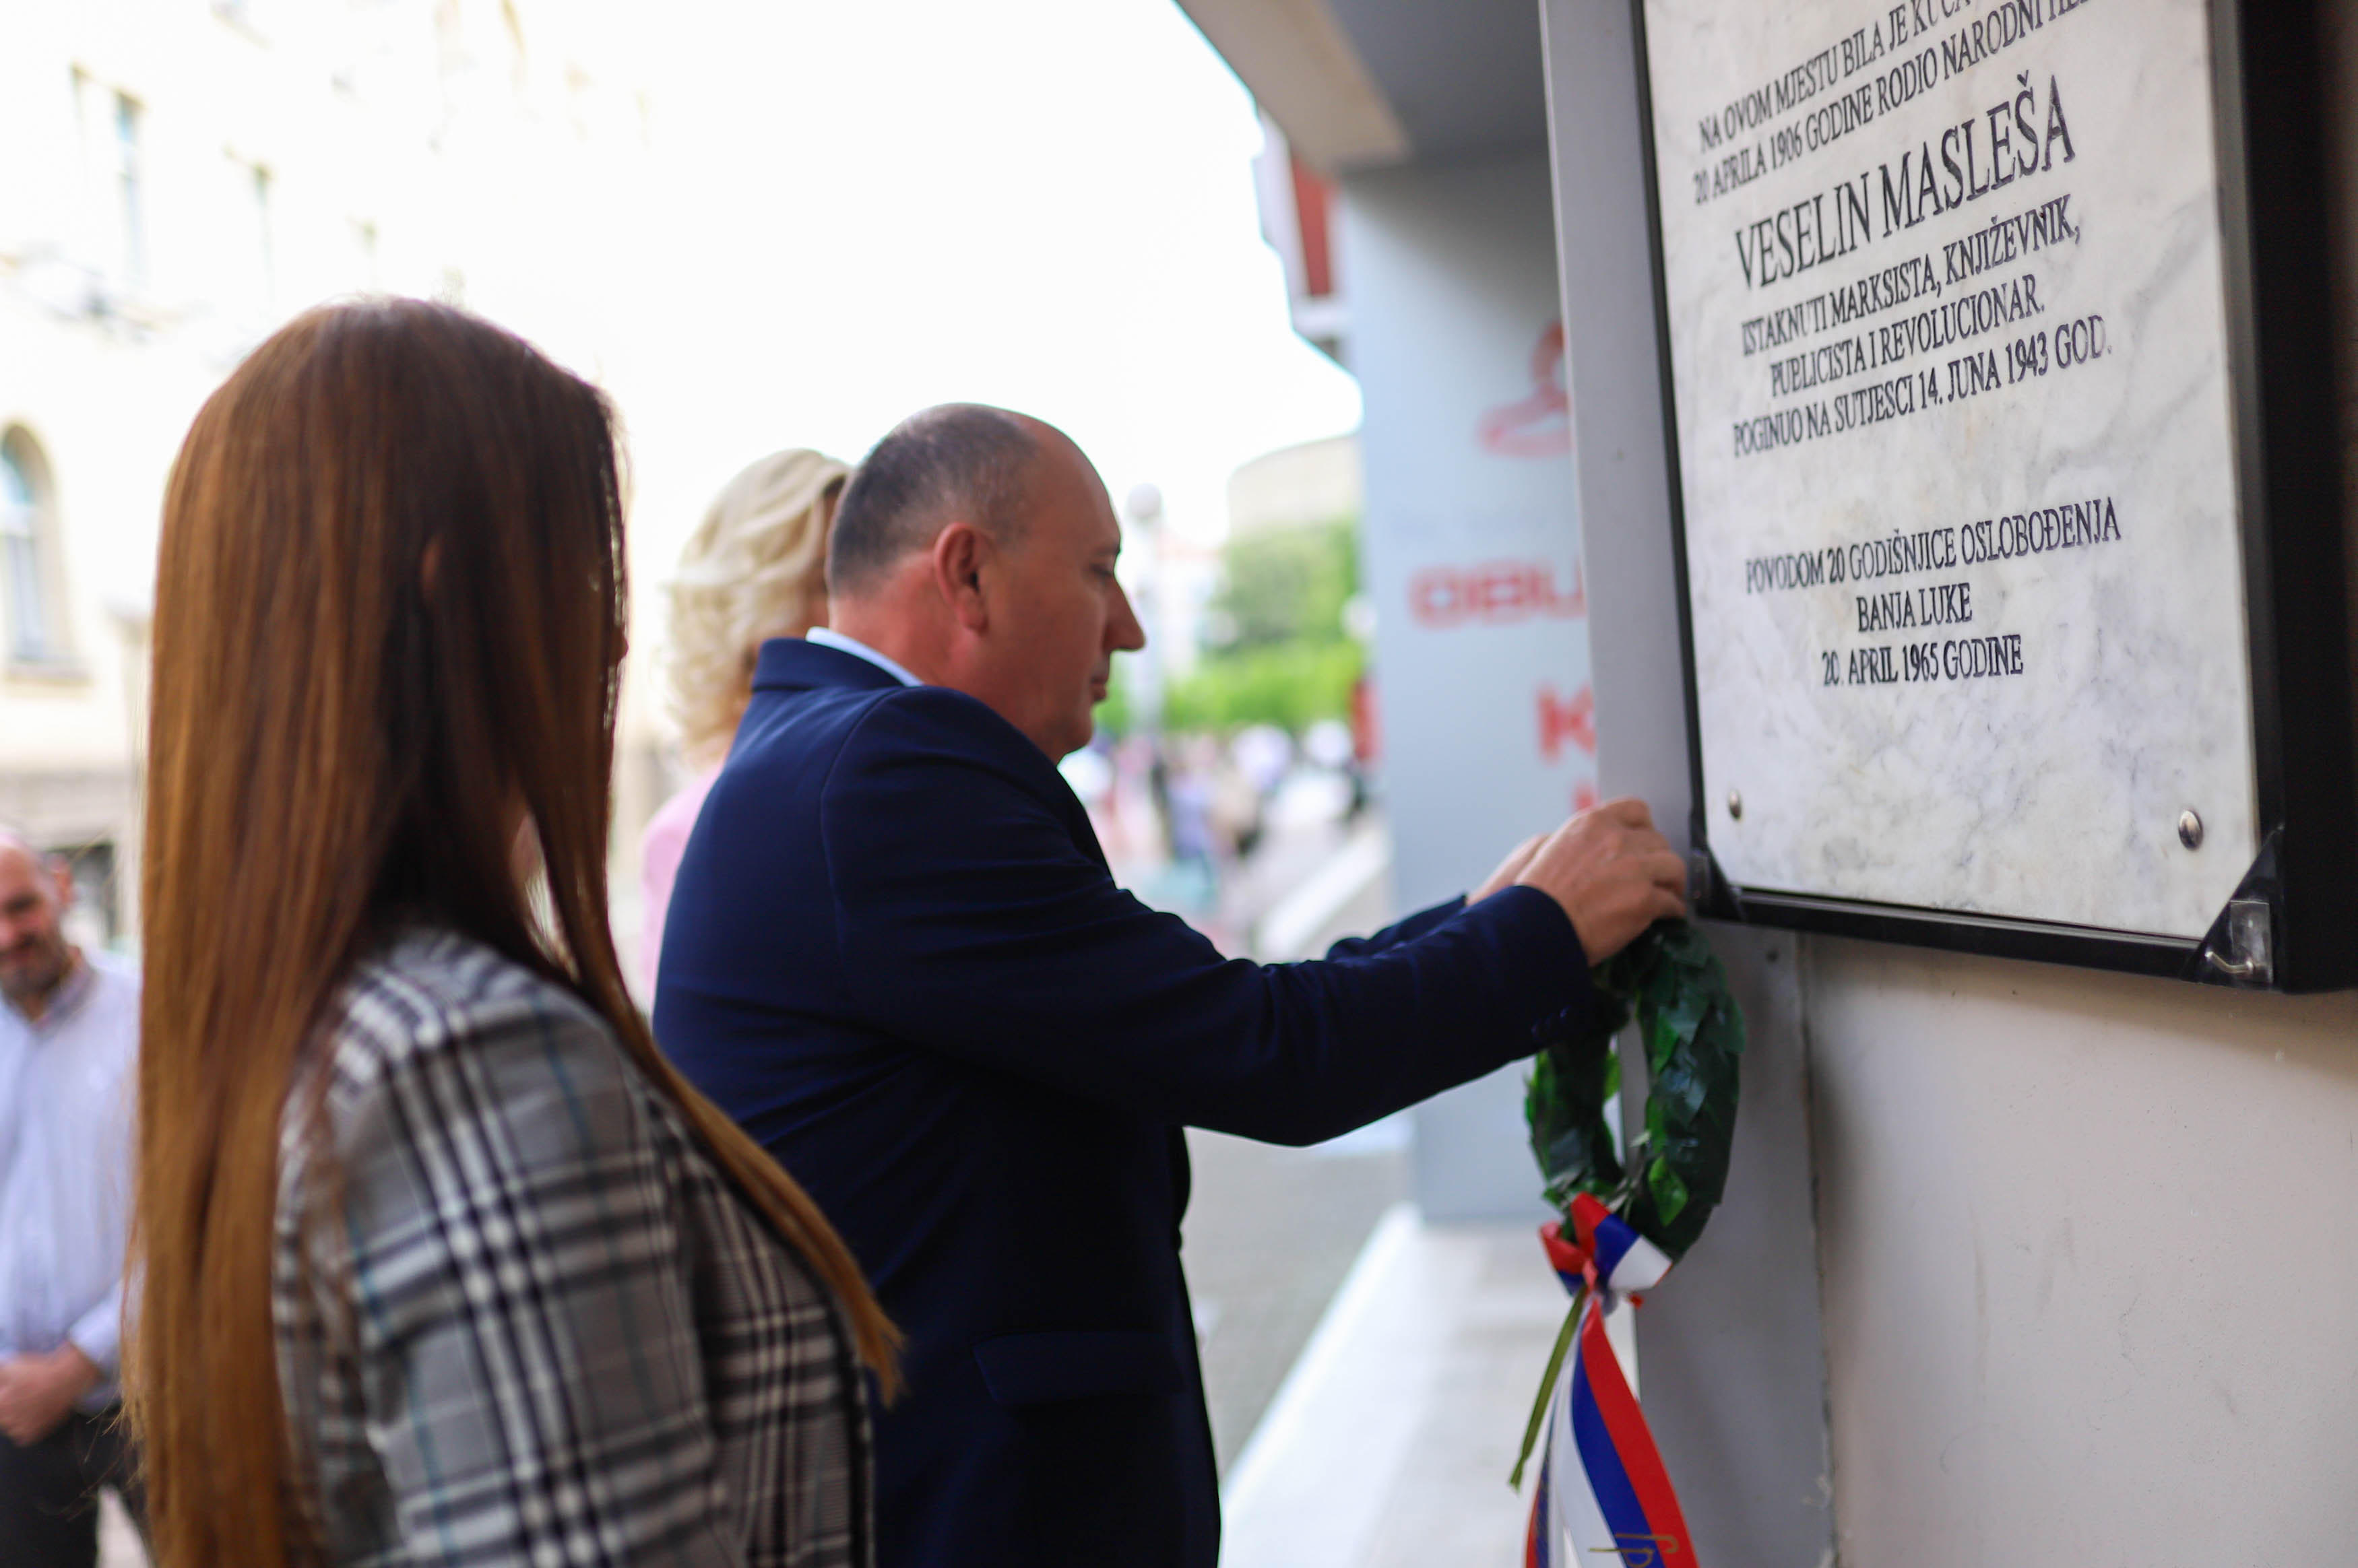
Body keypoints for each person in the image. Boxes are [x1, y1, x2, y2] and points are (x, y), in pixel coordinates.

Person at [654, 402, 1687, 1568]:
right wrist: (1539, 936)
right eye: (1101, 571)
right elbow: (1269, 1053)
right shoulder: (882, 775)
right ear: (967, 574)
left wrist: (1501, 920)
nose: (1134, 628)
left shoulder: (829, 759)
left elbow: (1211, 1009)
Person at [129, 299, 898, 1568]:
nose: (606, 638)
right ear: (455, 592)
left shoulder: (303, 1026)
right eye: (584, 578)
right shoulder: (468, 1056)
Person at [640, 448, 851, 994]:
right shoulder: (691, 831)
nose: (853, 616)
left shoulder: (890, 784)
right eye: (827, 584)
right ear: (755, 604)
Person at [0, 828, 144, 1568]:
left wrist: (77, 1364)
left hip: (153, 1396)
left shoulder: (151, 1016)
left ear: (62, 886)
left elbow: (194, 1219)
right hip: (13, 1415)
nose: (9, 936)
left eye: (21, 906)